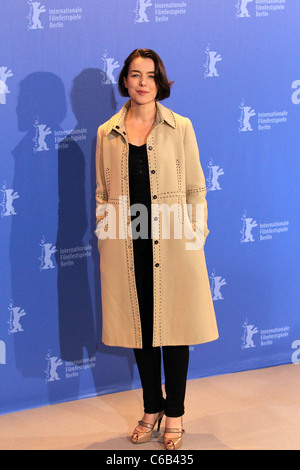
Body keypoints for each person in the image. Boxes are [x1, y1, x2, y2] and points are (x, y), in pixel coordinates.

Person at [95, 49, 219, 450]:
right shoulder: (106, 132)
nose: (143, 82)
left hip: (174, 242)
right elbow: (102, 192)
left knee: (176, 330)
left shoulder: (180, 126)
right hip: (127, 245)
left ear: (160, 81)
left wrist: (195, 236)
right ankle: (152, 407)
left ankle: (176, 413)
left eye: (150, 75)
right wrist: (105, 231)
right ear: (125, 81)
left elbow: (196, 187)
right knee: (141, 330)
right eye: (135, 75)